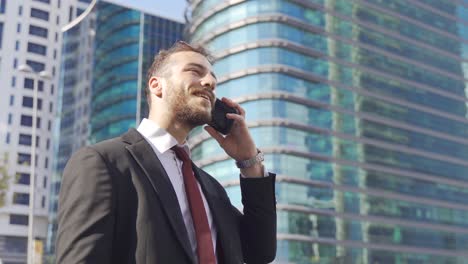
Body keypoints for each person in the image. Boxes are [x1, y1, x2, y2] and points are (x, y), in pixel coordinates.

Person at [55, 41, 276, 264]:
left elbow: (260, 252)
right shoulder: (103, 163)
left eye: (213, 80)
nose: (209, 82)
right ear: (156, 85)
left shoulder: (212, 189)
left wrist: (250, 162)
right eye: (194, 71)